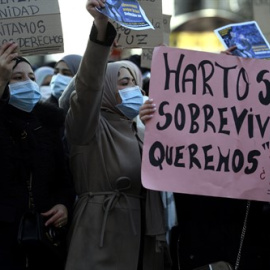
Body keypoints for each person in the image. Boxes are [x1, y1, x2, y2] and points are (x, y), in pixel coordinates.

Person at [64, 1, 170, 269]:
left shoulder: (142, 131)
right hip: (99, 237)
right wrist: (101, 29)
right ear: (107, 88)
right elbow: (88, 87)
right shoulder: (88, 126)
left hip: (142, 243)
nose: (133, 89)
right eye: (124, 82)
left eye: (136, 82)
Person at [139, 73, 270, 270]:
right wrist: (152, 122)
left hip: (246, 246)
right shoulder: (189, 153)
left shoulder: (257, 150)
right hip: (198, 248)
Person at [0, 41, 75, 270]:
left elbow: (64, 180)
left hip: (42, 239)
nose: (29, 83)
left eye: (31, 77)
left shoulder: (48, 125)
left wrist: (63, 205)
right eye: (17, 78)